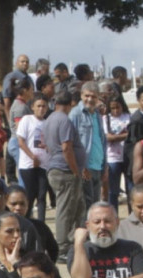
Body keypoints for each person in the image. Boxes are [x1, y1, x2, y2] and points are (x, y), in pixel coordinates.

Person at [44, 90, 86, 258]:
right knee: (65, 208)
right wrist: (75, 170)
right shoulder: (64, 120)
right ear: (71, 104)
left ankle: (74, 240)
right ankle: (62, 247)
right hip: (64, 170)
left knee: (76, 208)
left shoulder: (49, 119)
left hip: (55, 168)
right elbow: (66, 148)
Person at [70, 82, 107, 207]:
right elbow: (71, 142)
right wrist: (81, 166)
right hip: (85, 167)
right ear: (81, 95)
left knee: (95, 204)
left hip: (98, 165)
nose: (90, 99)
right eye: (87, 96)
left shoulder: (97, 115)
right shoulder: (76, 114)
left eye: (93, 96)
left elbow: (101, 140)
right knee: (86, 204)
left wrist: (104, 165)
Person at [16, 95, 51, 221]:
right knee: (30, 195)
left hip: (44, 164)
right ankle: (26, 221)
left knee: (42, 195)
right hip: (28, 165)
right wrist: (32, 157)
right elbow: (21, 142)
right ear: (33, 107)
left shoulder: (47, 123)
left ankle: (41, 223)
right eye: (39, 106)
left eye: (44, 106)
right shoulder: (26, 120)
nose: (41, 109)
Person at [6, 184, 58, 261]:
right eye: (14, 204)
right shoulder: (0, 228)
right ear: (5, 203)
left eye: (22, 204)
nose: (18, 208)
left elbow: (53, 250)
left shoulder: (40, 227)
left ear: (28, 204)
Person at [103, 96, 131, 211]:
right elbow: (108, 137)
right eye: (112, 108)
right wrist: (123, 136)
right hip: (112, 158)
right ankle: (113, 215)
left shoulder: (128, 117)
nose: (115, 111)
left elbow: (132, 134)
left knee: (131, 188)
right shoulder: (105, 119)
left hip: (127, 156)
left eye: (117, 108)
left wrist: (115, 137)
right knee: (112, 191)